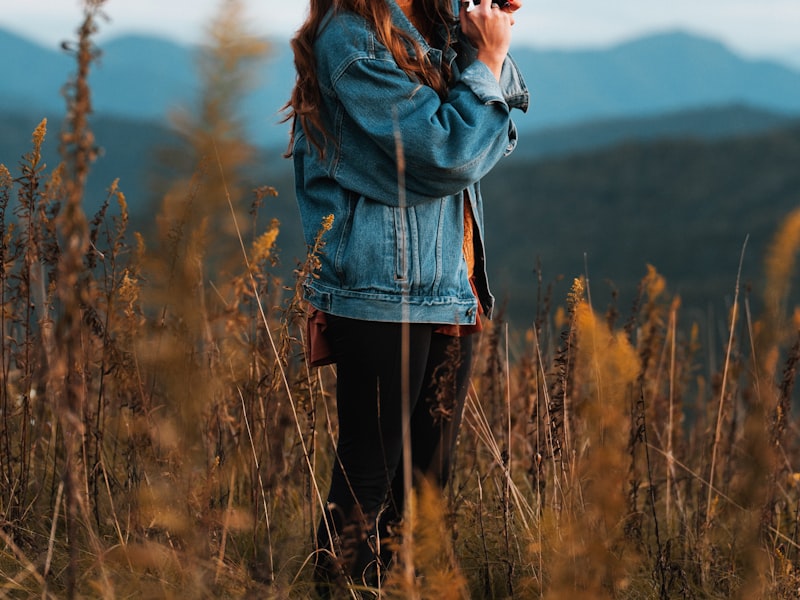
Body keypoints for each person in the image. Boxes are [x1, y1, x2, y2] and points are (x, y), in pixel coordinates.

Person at [284, 0, 528, 594]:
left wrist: (486, 31)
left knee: (425, 492)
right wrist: (488, 59)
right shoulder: (349, 36)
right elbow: (450, 152)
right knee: (367, 482)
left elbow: (507, 102)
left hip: (449, 284)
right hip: (379, 288)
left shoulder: (437, 22)